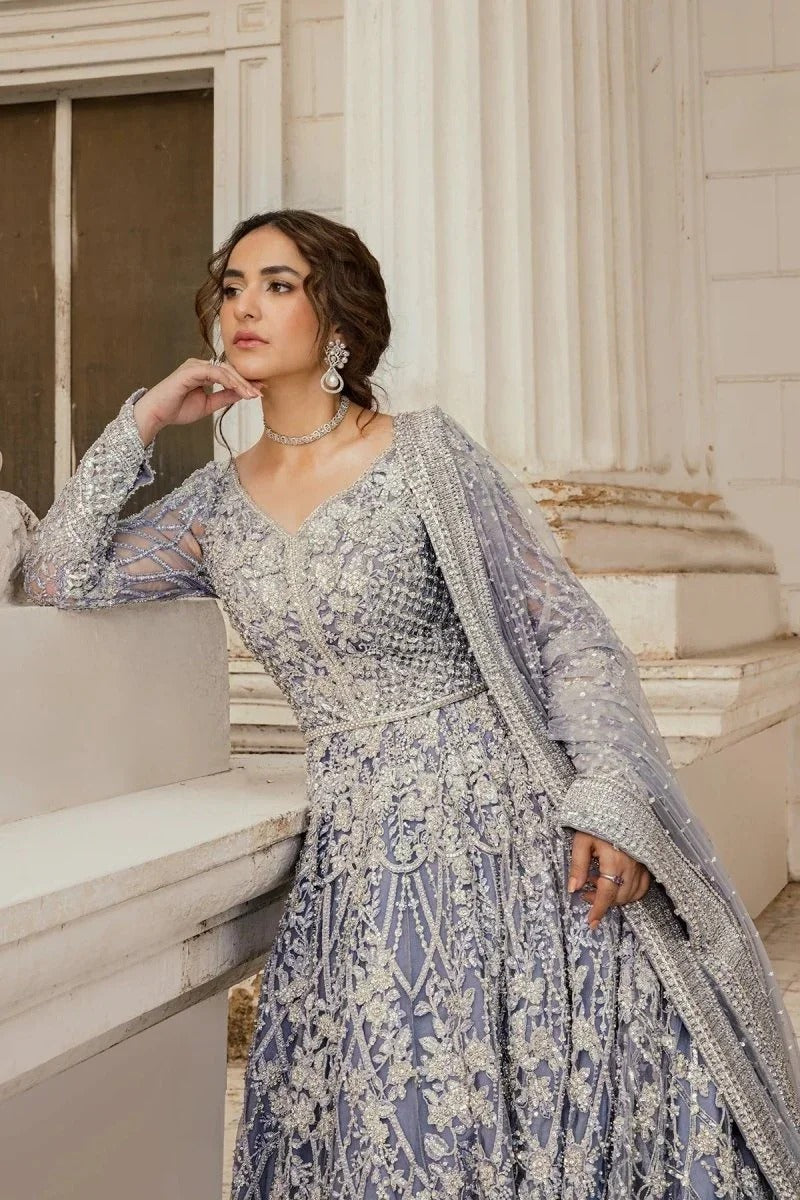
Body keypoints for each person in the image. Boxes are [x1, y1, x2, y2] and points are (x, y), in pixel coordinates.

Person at [21, 210, 800, 1199]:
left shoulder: (423, 458)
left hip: (509, 837)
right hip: (362, 860)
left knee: (546, 1111)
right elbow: (56, 577)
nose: (243, 307)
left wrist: (610, 797)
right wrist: (144, 420)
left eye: (277, 285)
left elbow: (564, 631)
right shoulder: (213, 508)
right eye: (231, 287)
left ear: (337, 317)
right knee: (402, 1122)